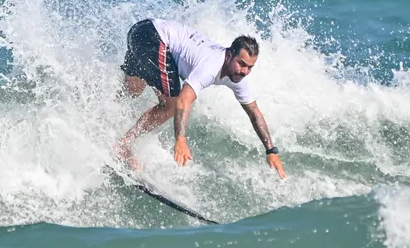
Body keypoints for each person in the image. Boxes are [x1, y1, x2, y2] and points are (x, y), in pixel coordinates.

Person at [116, 18, 286, 179]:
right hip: (153, 37)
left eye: (250, 67)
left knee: (132, 91)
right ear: (229, 55)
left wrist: (271, 151)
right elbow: (183, 100)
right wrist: (181, 140)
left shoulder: (238, 77)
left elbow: (254, 112)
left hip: (139, 31)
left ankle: (101, 112)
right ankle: (123, 145)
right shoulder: (211, 66)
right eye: (241, 64)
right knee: (171, 105)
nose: (244, 71)